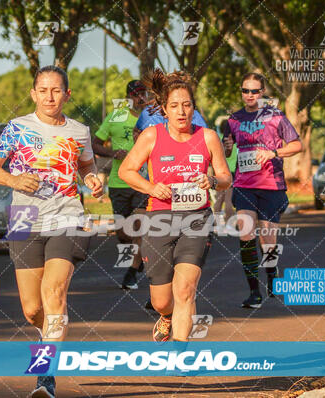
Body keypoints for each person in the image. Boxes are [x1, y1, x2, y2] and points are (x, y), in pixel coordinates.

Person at [0, 65, 103, 398]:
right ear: (34, 93)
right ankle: (49, 332)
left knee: (54, 294)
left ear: (67, 94)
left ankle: (45, 375)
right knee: (33, 309)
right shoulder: (17, 128)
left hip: (68, 216)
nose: (50, 96)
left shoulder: (79, 131)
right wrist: (13, 179)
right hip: (24, 218)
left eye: (56, 90)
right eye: (43, 90)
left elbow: (87, 167)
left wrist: (93, 179)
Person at [119, 69, 232, 342]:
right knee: (161, 300)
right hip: (159, 218)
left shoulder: (208, 137)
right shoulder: (151, 136)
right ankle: (166, 316)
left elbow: (226, 178)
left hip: (196, 218)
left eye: (187, 104)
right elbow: (126, 171)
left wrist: (212, 180)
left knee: (185, 290)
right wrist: (151, 187)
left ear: (194, 107)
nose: (181, 111)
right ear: (164, 110)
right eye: (174, 106)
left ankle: (181, 353)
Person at [223, 73, 302, 309]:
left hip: (271, 185)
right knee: (246, 232)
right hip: (245, 184)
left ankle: (271, 274)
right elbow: (227, 152)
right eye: (245, 91)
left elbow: (297, 145)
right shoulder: (234, 119)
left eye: (255, 91)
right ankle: (254, 292)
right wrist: (227, 147)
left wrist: (273, 153)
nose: (250, 95)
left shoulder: (275, 117)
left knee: (267, 239)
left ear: (263, 92)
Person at [93, 80, 148, 290]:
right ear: (129, 97)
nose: (139, 98)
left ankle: (132, 272)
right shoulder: (117, 116)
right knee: (123, 231)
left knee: (139, 227)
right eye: (135, 94)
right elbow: (95, 143)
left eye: (143, 94)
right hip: (119, 181)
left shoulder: (153, 118)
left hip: (144, 181)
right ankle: (137, 257)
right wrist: (114, 153)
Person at [213, 117, 238, 233]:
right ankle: (229, 225)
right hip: (231, 173)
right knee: (228, 201)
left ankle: (217, 225)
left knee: (218, 200)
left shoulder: (217, 141)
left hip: (218, 172)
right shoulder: (233, 142)